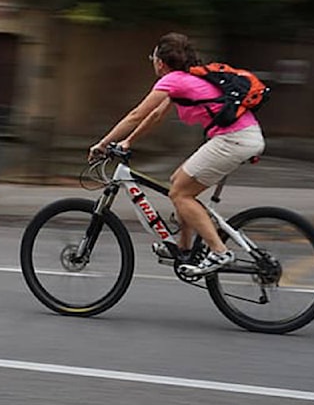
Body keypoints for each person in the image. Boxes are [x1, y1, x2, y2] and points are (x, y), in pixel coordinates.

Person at [88, 32, 265, 275]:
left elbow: (137, 114)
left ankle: (219, 252)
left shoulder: (173, 81)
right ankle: (184, 248)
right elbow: (155, 116)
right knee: (177, 183)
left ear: (160, 62)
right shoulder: (185, 80)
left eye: (153, 57)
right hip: (240, 136)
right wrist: (128, 141)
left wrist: (103, 143)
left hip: (234, 139)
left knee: (180, 194)